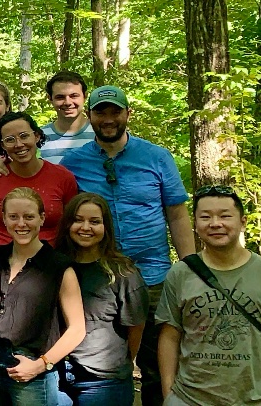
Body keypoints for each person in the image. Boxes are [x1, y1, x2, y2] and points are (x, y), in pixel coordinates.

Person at [60, 85, 194, 406]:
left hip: (153, 278)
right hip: (98, 283)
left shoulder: (157, 157)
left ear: (127, 114)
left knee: (156, 366)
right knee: (101, 366)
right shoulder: (72, 163)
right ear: (89, 115)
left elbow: (176, 215)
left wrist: (191, 269)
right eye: (100, 112)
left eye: (115, 111)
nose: (108, 119)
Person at [156, 186, 261, 406]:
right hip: (189, 399)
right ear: (195, 223)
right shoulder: (181, 273)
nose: (215, 224)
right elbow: (170, 336)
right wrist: (169, 395)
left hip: (256, 400)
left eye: (225, 216)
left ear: (243, 221)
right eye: (205, 217)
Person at [0, 188, 86, 405]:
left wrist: (40, 365)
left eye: (29, 217)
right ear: (4, 220)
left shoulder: (58, 266)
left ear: (42, 219)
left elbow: (77, 329)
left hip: (32, 370)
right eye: (14, 217)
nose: (21, 224)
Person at [55, 192, 148, 406]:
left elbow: (136, 327)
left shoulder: (123, 273)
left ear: (105, 227)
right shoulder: (53, 266)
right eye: (78, 220)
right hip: (55, 375)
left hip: (104, 382)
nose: (85, 227)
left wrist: (118, 364)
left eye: (94, 222)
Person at [0, 112, 79, 248]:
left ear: (36, 136)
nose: (19, 144)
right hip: (1, 262)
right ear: (3, 145)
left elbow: (70, 224)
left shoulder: (63, 177)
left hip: (52, 261)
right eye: (10, 139)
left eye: (24, 136)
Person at [39, 72, 96, 164]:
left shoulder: (99, 133)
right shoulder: (38, 138)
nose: (68, 102)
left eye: (74, 96)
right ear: (50, 99)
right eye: (60, 97)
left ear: (85, 96)